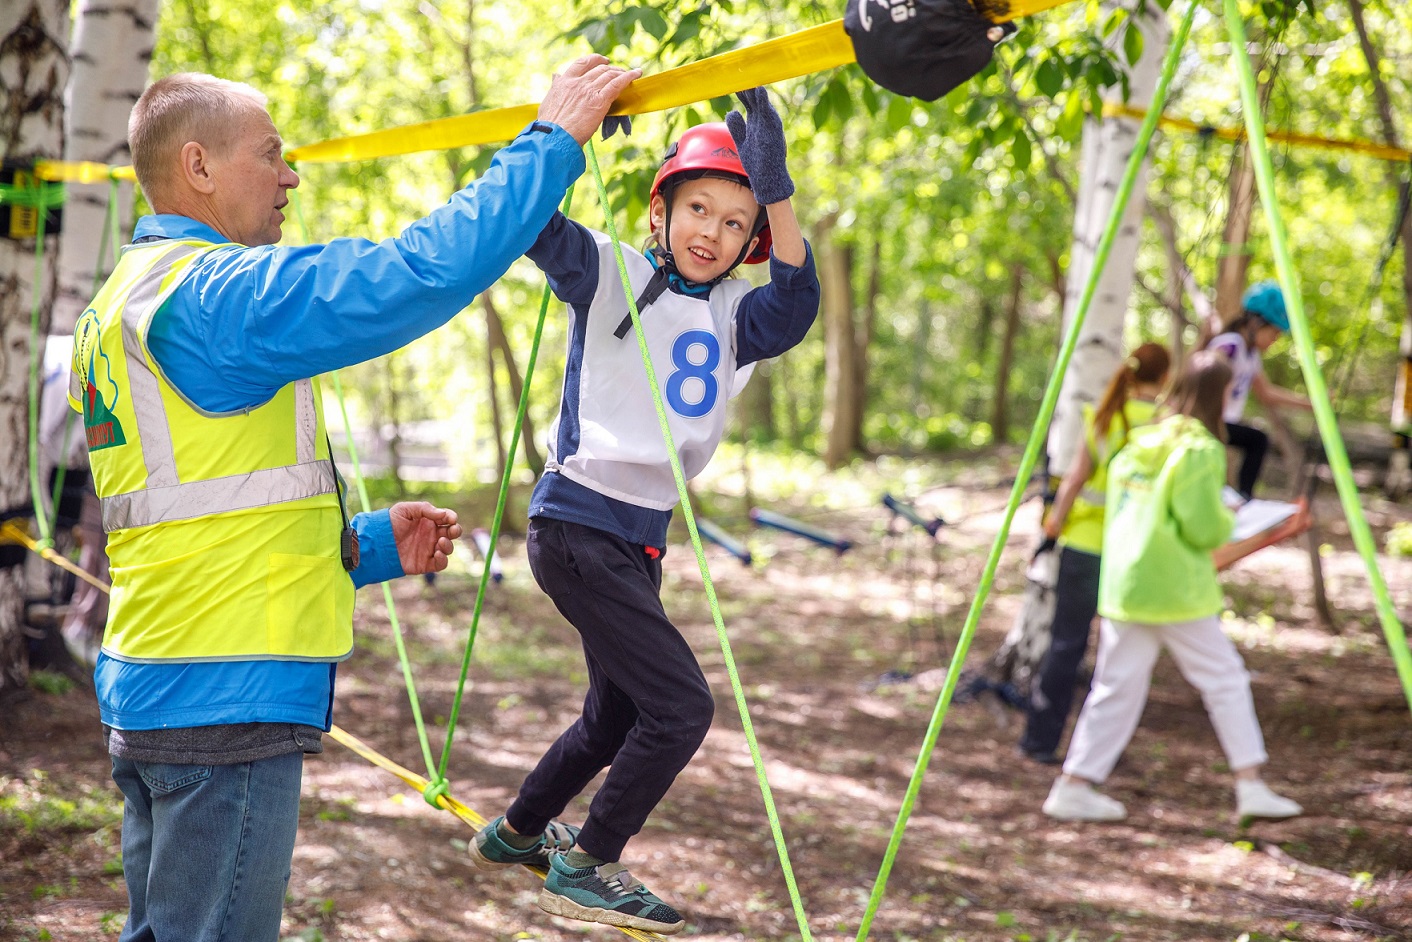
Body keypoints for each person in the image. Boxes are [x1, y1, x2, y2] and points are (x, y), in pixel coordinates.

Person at [69, 58, 639, 942]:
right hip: (224, 696)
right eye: (273, 153)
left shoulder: (117, 308)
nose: (293, 174)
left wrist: (365, 546)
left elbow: (188, 508)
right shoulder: (213, 297)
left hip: (155, 685)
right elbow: (412, 275)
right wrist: (553, 141)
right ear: (199, 168)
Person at [467, 88, 819, 934]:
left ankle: (519, 832)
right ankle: (590, 859)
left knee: (618, 712)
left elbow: (799, 304)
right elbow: (516, 216)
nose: (713, 232)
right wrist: (561, 139)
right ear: (659, 212)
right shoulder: (608, 267)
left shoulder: (738, 314)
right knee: (682, 708)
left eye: (737, 224)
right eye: (698, 208)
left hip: (637, 539)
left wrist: (780, 194)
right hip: (579, 521)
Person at [1042, 350, 1302, 823]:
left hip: (1127, 586)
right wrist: (1232, 517)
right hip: (1175, 588)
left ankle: (1074, 784)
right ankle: (1251, 785)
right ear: (1219, 395)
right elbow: (1203, 530)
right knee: (1224, 680)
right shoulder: (1201, 449)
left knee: (1115, 687)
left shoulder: (1140, 441)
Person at [1019, 342, 1171, 765]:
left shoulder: (1103, 418)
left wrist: (1052, 530)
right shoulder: (1165, 426)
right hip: (1133, 556)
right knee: (1119, 658)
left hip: (1082, 549)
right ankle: (1099, 755)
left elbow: (1072, 484)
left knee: (1065, 646)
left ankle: (1039, 741)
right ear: (1164, 378)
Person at [1205, 280, 1312, 498]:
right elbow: (1209, 374)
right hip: (1210, 421)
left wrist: (1311, 404)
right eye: (1274, 333)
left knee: (1257, 440)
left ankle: (1244, 497)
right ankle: (1239, 498)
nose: (1275, 340)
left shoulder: (1251, 354)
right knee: (1254, 442)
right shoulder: (1230, 344)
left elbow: (1267, 393)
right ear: (1255, 324)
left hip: (1225, 423)